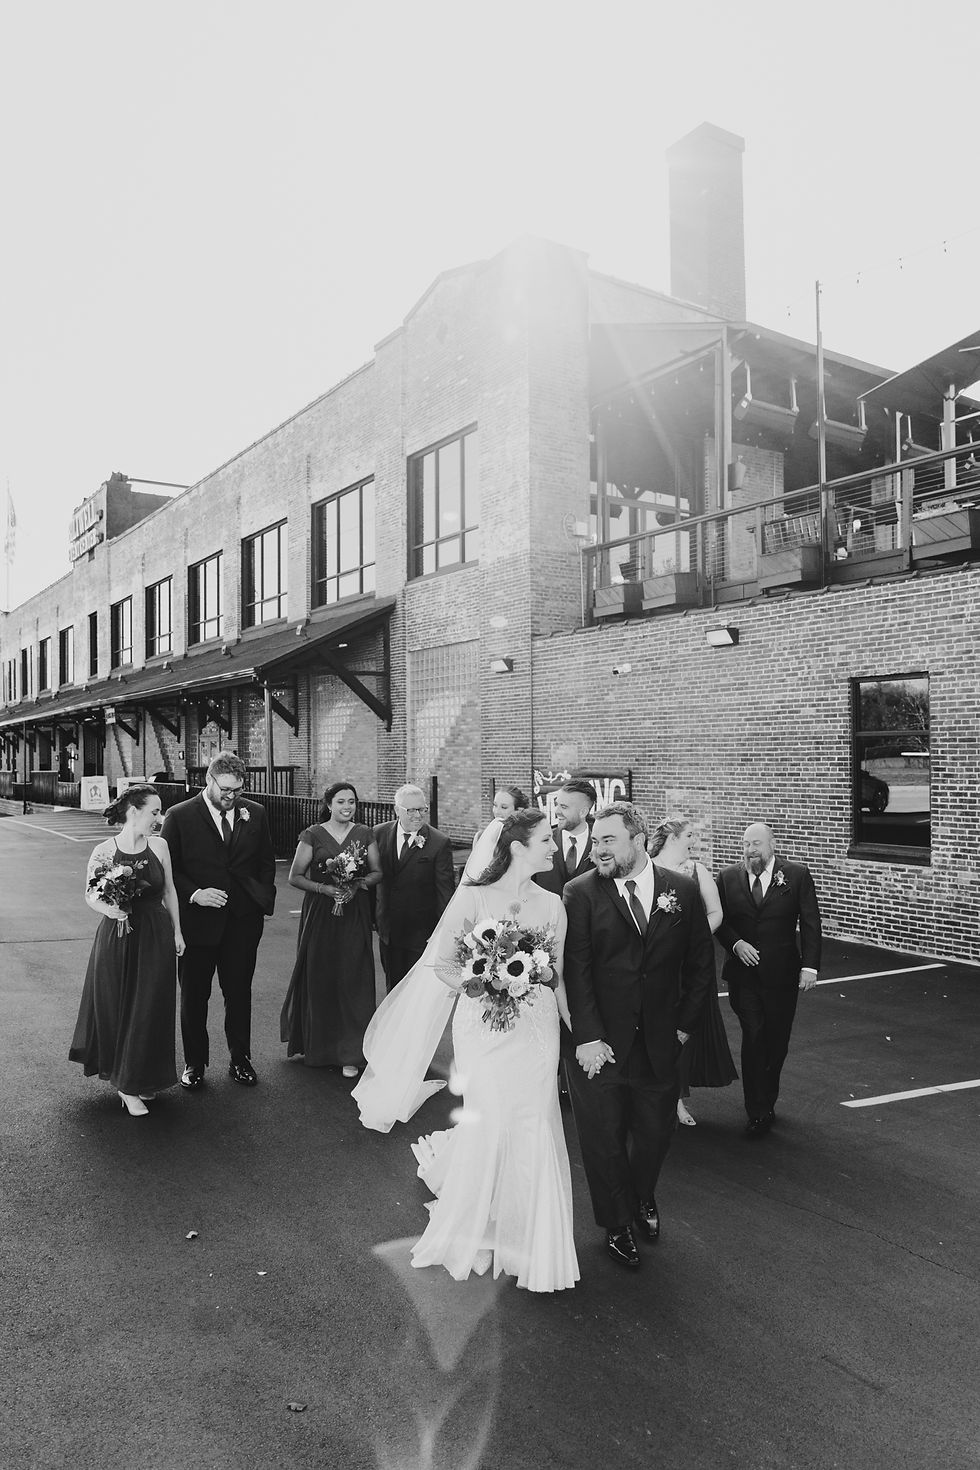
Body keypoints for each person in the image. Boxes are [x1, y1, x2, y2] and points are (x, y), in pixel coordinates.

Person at [353, 810, 579, 1293]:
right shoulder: (473, 896)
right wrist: (482, 982)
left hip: (536, 1030)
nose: (553, 848)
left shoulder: (554, 904)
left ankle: (532, 1232)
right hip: (484, 1025)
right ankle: (476, 1217)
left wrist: (575, 1026)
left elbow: (559, 975)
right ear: (517, 847)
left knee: (534, 1117)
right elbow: (441, 964)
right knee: (491, 1112)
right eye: (546, 840)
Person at [563, 801, 715, 1269]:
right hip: (599, 1047)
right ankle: (616, 1224)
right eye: (596, 841)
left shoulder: (682, 892)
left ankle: (642, 1194)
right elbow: (577, 970)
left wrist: (685, 1030)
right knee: (603, 1140)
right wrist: (587, 1037)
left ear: (638, 840)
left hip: (661, 1043)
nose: (598, 849)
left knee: (653, 1135)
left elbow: (699, 967)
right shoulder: (580, 892)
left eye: (608, 840)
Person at [160, 752, 276, 1091]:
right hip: (197, 923)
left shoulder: (255, 813)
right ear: (209, 780)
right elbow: (167, 868)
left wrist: (260, 899)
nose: (231, 797)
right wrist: (195, 893)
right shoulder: (179, 816)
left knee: (239, 993)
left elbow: (265, 861)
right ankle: (195, 1063)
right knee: (194, 996)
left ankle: (240, 1060)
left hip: (242, 921)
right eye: (225, 789)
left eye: (237, 790)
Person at [69, 785, 185, 1116]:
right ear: (134, 811)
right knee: (121, 1005)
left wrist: (177, 931)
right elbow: (91, 894)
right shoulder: (105, 849)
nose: (159, 818)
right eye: (155, 812)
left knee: (151, 1005)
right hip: (117, 936)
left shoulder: (160, 846)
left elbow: (170, 891)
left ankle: (141, 1077)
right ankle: (126, 1085)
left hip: (155, 934)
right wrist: (110, 909)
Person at [716, 822, 822, 1138]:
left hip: (782, 976)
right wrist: (736, 943)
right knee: (754, 1035)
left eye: (756, 844)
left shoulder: (797, 875)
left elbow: (811, 922)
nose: (750, 850)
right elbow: (720, 921)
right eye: (746, 844)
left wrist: (810, 968)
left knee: (776, 1041)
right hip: (743, 977)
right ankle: (757, 1109)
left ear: (772, 844)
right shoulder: (728, 877)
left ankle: (768, 1097)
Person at [280, 781, 382, 1075]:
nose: (347, 807)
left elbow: (377, 872)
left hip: (354, 914)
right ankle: (320, 1046)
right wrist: (323, 888)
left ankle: (350, 1052)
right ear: (329, 804)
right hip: (320, 915)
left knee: (353, 978)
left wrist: (357, 884)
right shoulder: (312, 835)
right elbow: (295, 876)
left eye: (351, 801)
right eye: (341, 802)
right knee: (321, 975)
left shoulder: (364, 834)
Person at [647, 818, 736, 1126]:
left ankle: (677, 1101)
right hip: (657, 964)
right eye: (688, 836)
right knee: (657, 1027)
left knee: (684, 1031)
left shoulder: (697, 871)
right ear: (670, 837)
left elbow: (717, 913)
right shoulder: (646, 868)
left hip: (691, 963)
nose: (693, 842)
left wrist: (692, 940)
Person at [373, 784, 455, 992]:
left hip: (420, 934)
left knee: (416, 993)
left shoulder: (439, 842)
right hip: (388, 931)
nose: (418, 815)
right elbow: (372, 879)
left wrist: (440, 934)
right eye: (411, 810)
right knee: (392, 987)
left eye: (422, 809)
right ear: (397, 810)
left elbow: (445, 893)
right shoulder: (378, 834)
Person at [534, 779, 597, 896]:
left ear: (583, 812)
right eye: (557, 804)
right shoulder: (539, 841)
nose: (557, 811)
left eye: (564, 807)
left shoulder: (600, 845)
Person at [472, 785, 529, 850]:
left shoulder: (527, 839)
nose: (497, 812)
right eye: (495, 805)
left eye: (504, 807)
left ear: (518, 811)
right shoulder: (480, 837)